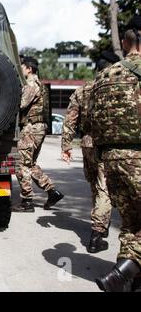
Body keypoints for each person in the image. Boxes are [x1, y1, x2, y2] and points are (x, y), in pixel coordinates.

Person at [92, 16, 141, 292]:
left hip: (111, 160)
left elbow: (93, 121)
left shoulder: (104, 76)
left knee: (133, 223)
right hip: (138, 157)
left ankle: (132, 281)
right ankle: (122, 273)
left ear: (125, 41)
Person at [61, 51, 120, 254]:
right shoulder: (113, 86)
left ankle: (100, 222)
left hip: (86, 143)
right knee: (104, 189)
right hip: (106, 143)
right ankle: (97, 234)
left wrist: (66, 146)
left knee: (96, 186)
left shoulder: (83, 89)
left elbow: (70, 120)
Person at [13, 56, 64, 213]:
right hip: (37, 127)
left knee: (21, 164)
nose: (21, 69)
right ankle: (51, 191)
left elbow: (21, 104)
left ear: (29, 68)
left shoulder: (31, 83)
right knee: (31, 164)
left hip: (31, 128)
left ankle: (27, 201)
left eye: (22, 66)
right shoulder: (38, 83)